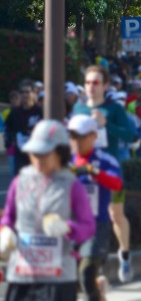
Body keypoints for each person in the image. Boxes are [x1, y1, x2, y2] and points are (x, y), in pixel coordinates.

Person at [0, 120, 95, 301]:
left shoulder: (72, 186)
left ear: (60, 152)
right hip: (21, 274)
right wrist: (5, 231)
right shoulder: (19, 182)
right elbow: (8, 217)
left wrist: (68, 228)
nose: (38, 158)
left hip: (58, 277)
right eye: (34, 153)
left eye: (45, 153)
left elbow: (88, 226)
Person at [72, 65, 136, 283]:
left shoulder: (114, 109)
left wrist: (106, 124)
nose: (91, 87)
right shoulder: (79, 109)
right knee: (87, 216)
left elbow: (130, 135)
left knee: (115, 215)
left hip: (110, 169)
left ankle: (124, 254)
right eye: (88, 82)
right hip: (84, 172)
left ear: (106, 86)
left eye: (96, 82)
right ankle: (93, 262)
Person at [67, 115, 123, 301]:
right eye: (72, 136)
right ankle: (98, 293)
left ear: (93, 136)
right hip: (69, 227)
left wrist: (94, 172)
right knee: (67, 280)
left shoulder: (106, 160)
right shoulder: (64, 162)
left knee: (86, 272)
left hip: (96, 226)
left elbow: (117, 184)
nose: (76, 141)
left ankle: (95, 290)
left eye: (81, 136)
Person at [4, 80, 43, 177]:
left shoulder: (40, 111)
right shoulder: (14, 113)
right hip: (20, 155)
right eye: (22, 92)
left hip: (37, 156)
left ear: (34, 94)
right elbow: (8, 130)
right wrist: (12, 138)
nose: (25, 95)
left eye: (27, 92)